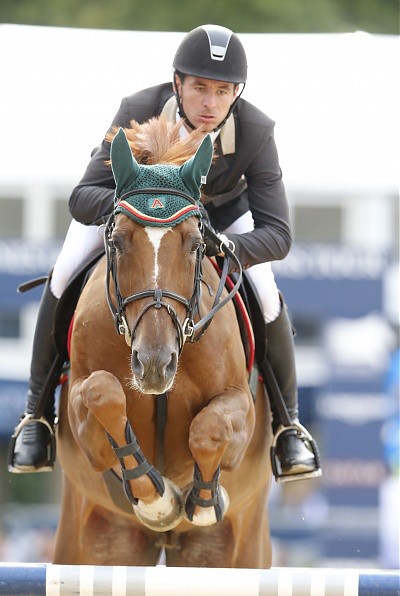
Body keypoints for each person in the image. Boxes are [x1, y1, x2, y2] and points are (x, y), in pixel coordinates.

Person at [9, 24, 320, 482]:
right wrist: (132, 210)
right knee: (64, 271)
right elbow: (82, 196)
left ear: (237, 92)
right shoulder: (137, 109)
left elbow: (278, 234)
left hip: (215, 225)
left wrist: (226, 246)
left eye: (222, 91)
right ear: (178, 84)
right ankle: (36, 416)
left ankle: (288, 425)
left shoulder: (255, 132)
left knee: (267, 293)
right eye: (199, 88)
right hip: (134, 219)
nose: (210, 104)